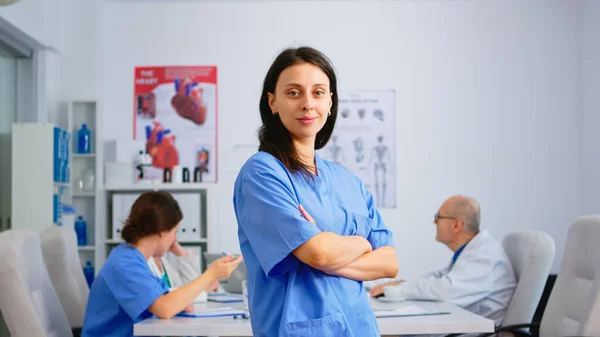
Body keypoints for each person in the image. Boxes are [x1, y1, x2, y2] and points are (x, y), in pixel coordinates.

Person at [233, 46, 399, 337]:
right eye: (294, 93)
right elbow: (318, 253)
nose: (308, 104)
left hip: (360, 328)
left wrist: (330, 251)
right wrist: (362, 242)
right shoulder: (262, 174)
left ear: (331, 101)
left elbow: (389, 263)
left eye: (319, 92)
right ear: (272, 101)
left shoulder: (347, 180)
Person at [82, 191, 243, 337]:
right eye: (174, 232)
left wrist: (178, 303)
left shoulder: (133, 258)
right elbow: (164, 308)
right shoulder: (124, 263)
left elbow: (163, 299)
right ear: (162, 230)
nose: (174, 239)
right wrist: (211, 274)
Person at [369, 195, 516, 325]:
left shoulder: (484, 254)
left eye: (438, 217)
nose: (434, 222)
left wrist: (399, 289)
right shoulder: (472, 252)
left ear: (456, 225)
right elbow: (438, 278)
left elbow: (446, 290)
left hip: (477, 331)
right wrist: (396, 284)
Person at [147, 240, 220, 302]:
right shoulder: (146, 261)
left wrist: (181, 252)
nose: (174, 239)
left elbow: (188, 285)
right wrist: (204, 290)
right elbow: (163, 298)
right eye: (173, 232)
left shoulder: (162, 261)